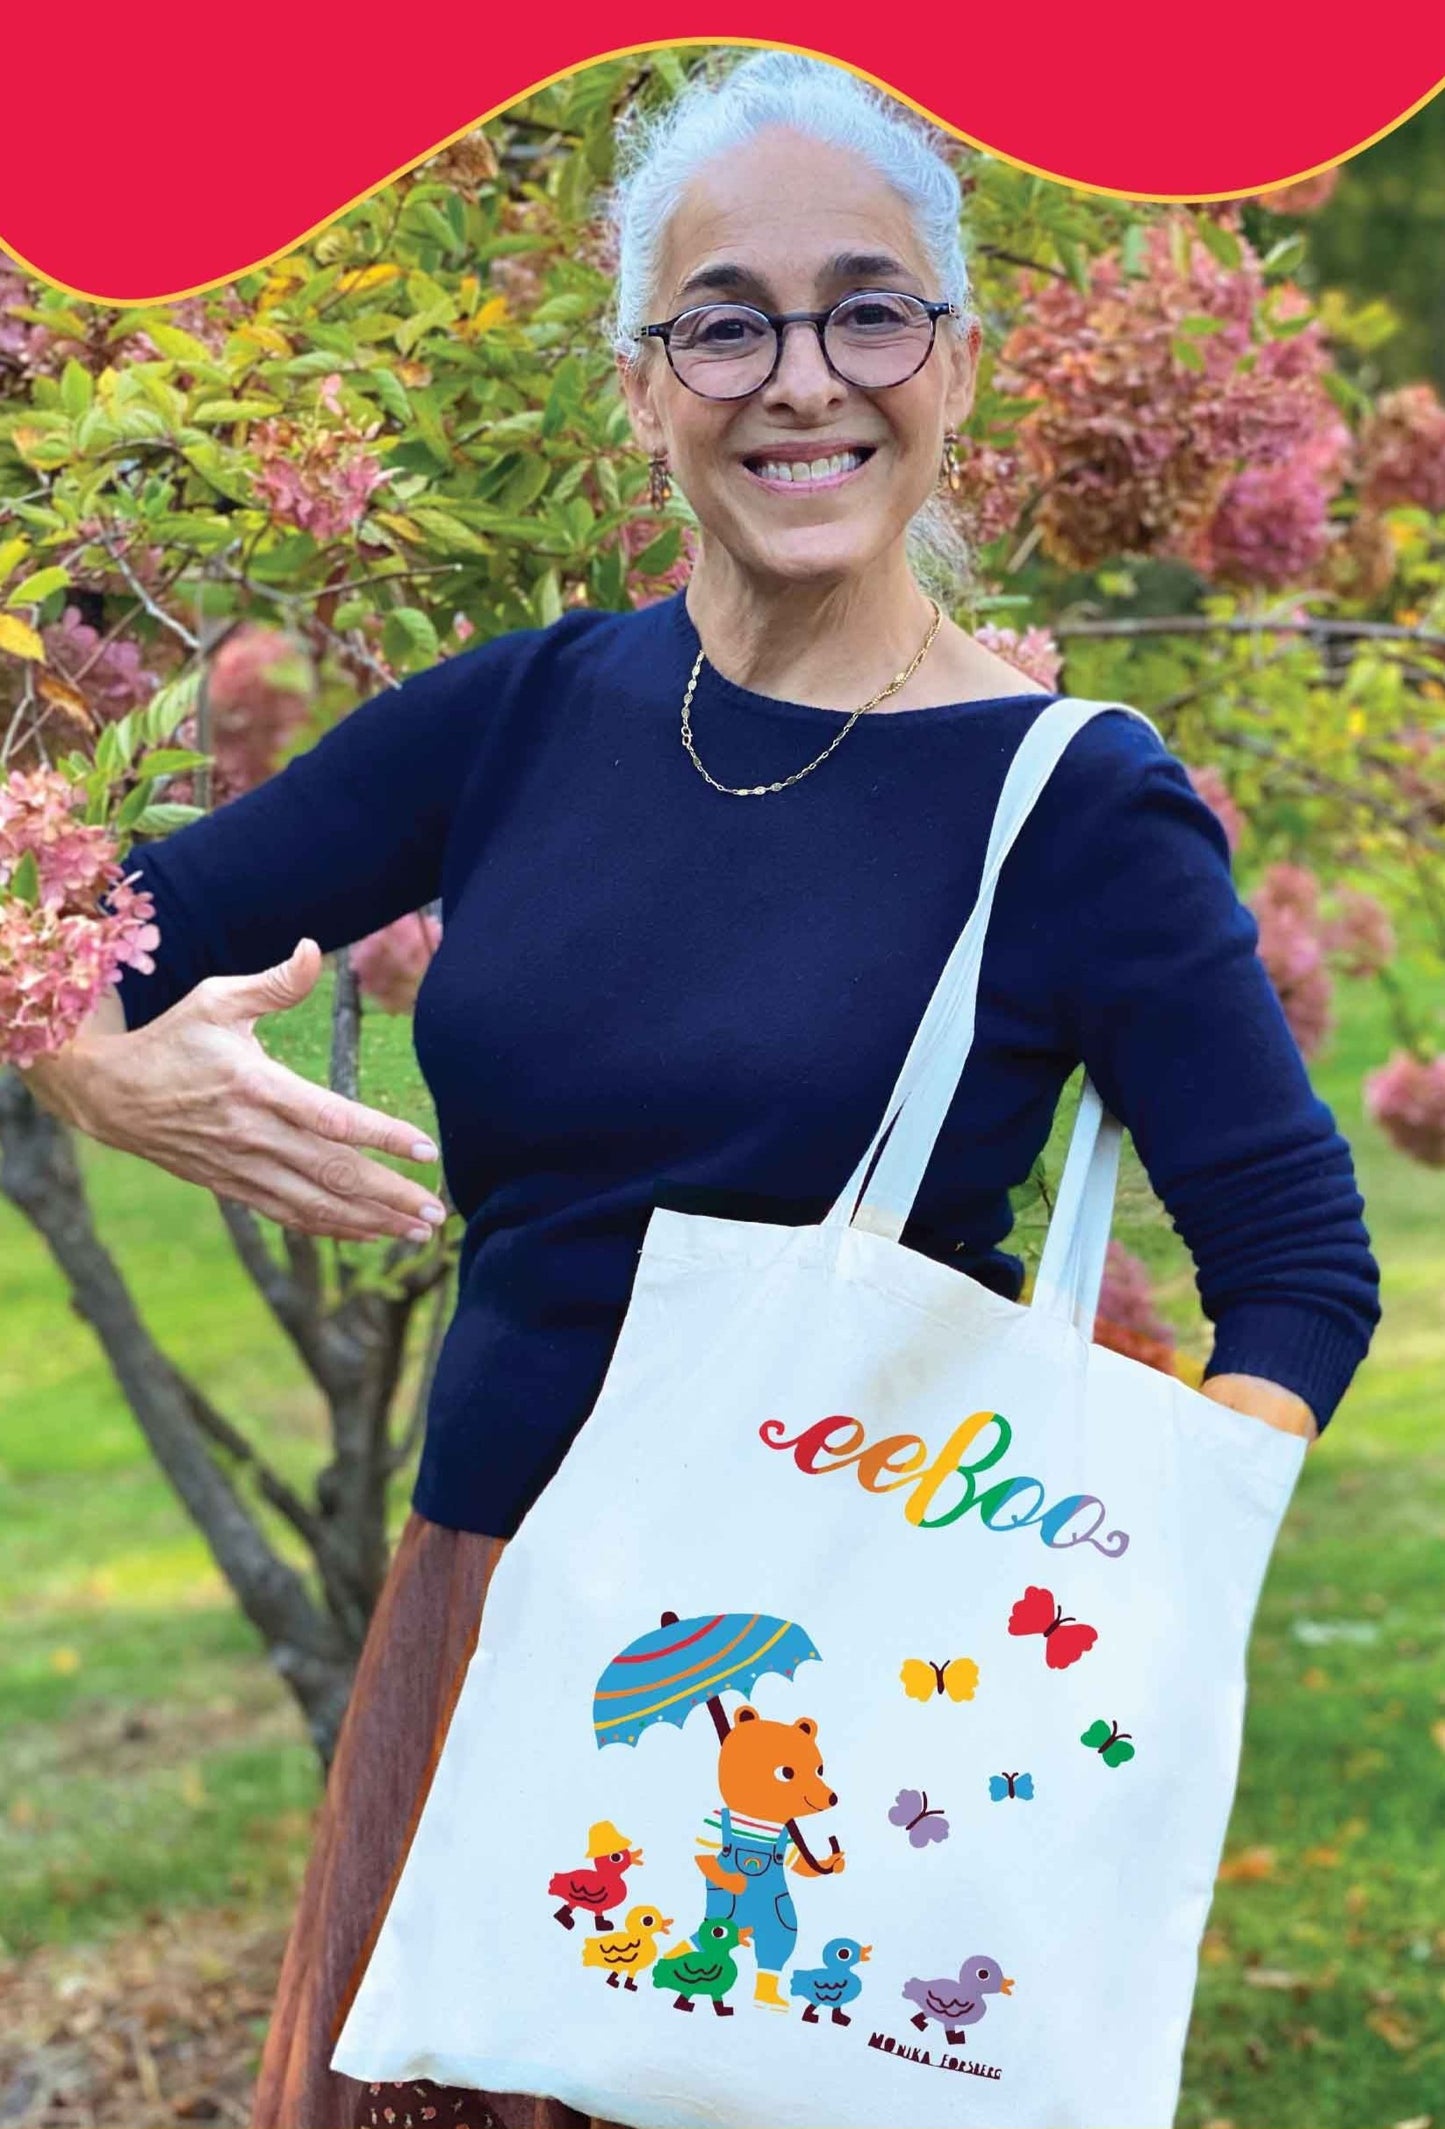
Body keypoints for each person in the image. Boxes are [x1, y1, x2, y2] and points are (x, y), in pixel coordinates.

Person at [21, 48, 1380, 2129]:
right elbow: (96, 922)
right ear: (642, 384)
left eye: (868, 307)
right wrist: (94, 1075)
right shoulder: (533, 710)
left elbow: (1297, 1263)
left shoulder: (1071, 808)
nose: (800, 376)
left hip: (818, 1686)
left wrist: (1102, 1582)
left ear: (958, 357)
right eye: (725, 321)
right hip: (480, 1621)